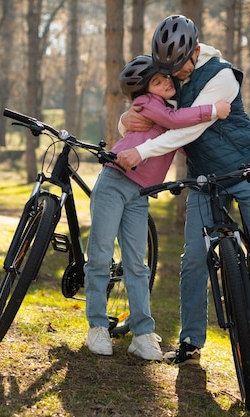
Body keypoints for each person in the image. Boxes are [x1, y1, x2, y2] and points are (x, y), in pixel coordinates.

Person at [115, 15, 250, 365]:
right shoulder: (168, 75)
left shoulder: (222, 76)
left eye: (179, 67)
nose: (174, 76)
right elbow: (144, 105)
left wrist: (142, 151)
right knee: (193, 259)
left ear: (195, 51)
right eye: (168, 70)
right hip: (204, 180)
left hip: (248, 172)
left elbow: (187, 130)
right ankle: (190, 342)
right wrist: (125, 120)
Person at [84, 54, 230, 360]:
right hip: (114, 181)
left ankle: (142, 333)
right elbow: (176, 123)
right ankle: (97, 325)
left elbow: (178, 122)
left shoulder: (170, 105)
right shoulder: (151, 103)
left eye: (166, 78)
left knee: (137, 265)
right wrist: (214, 110)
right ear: (145, 89)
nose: (166, 82)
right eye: (157, 81)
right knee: (99, 255)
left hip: (141, 192)